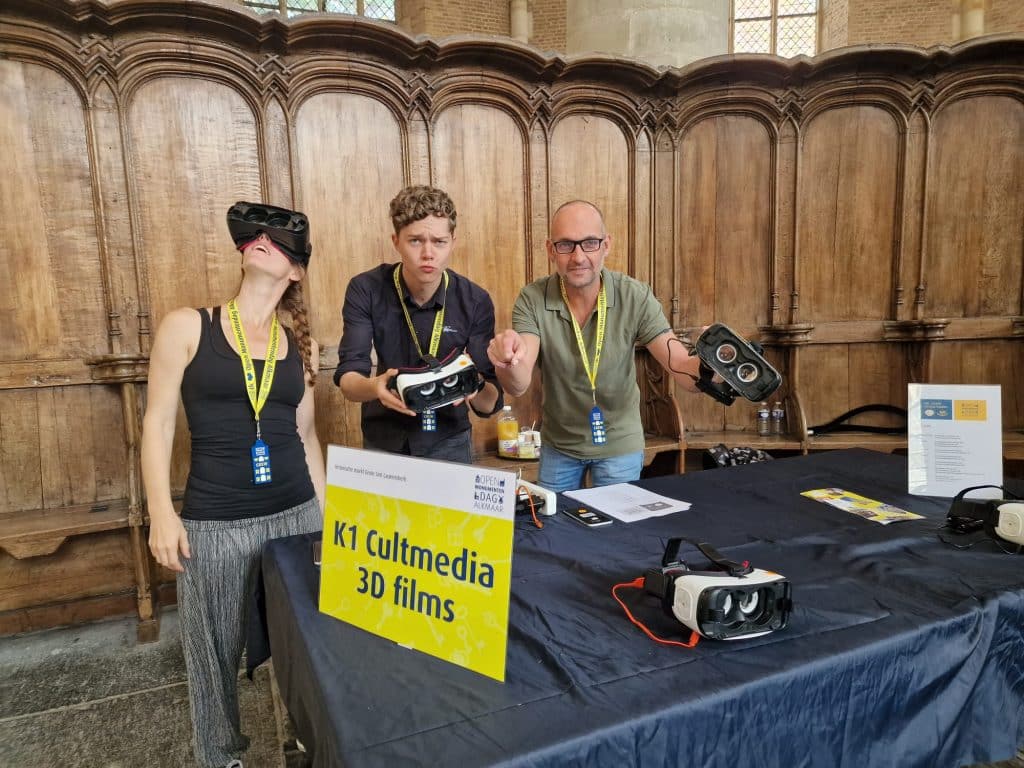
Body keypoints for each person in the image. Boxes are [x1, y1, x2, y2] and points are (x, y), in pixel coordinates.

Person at [141, 202, 325, 768]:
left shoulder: (301, 347)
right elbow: (158, 422)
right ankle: (220, 755)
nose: (262, 241)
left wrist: (328, 513)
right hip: (215, 517)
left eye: (278, 240)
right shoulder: (187, 326)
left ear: (295, 270)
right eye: (256, 235)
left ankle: (309, 739)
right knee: (211, 650)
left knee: (305, 644)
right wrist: (162, 513)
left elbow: (306, 435)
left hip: (296, 512)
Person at [487, 199, 702, 492]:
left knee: (615, 535)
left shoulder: (634, 295)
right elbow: (518, 384)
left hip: (619, 445)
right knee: (556, 533)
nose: (578, 257)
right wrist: (507, 360)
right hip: (559, 446)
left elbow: (680, 366)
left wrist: (709, 361)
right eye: (566, 245)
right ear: (551, 250)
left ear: (606, 245)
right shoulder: (533, 298)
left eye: (589, 243)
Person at [334, 185, 503, 463]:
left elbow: (490, 402)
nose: (428, 253)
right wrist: (375, 387)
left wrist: (473, 385)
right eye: (415, 241)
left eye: (439, 241)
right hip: (384, 441)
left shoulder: (474, 300)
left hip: (449, 442)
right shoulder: (366, 289)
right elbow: (350, 379)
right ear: (396, 241)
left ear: (453, 242)